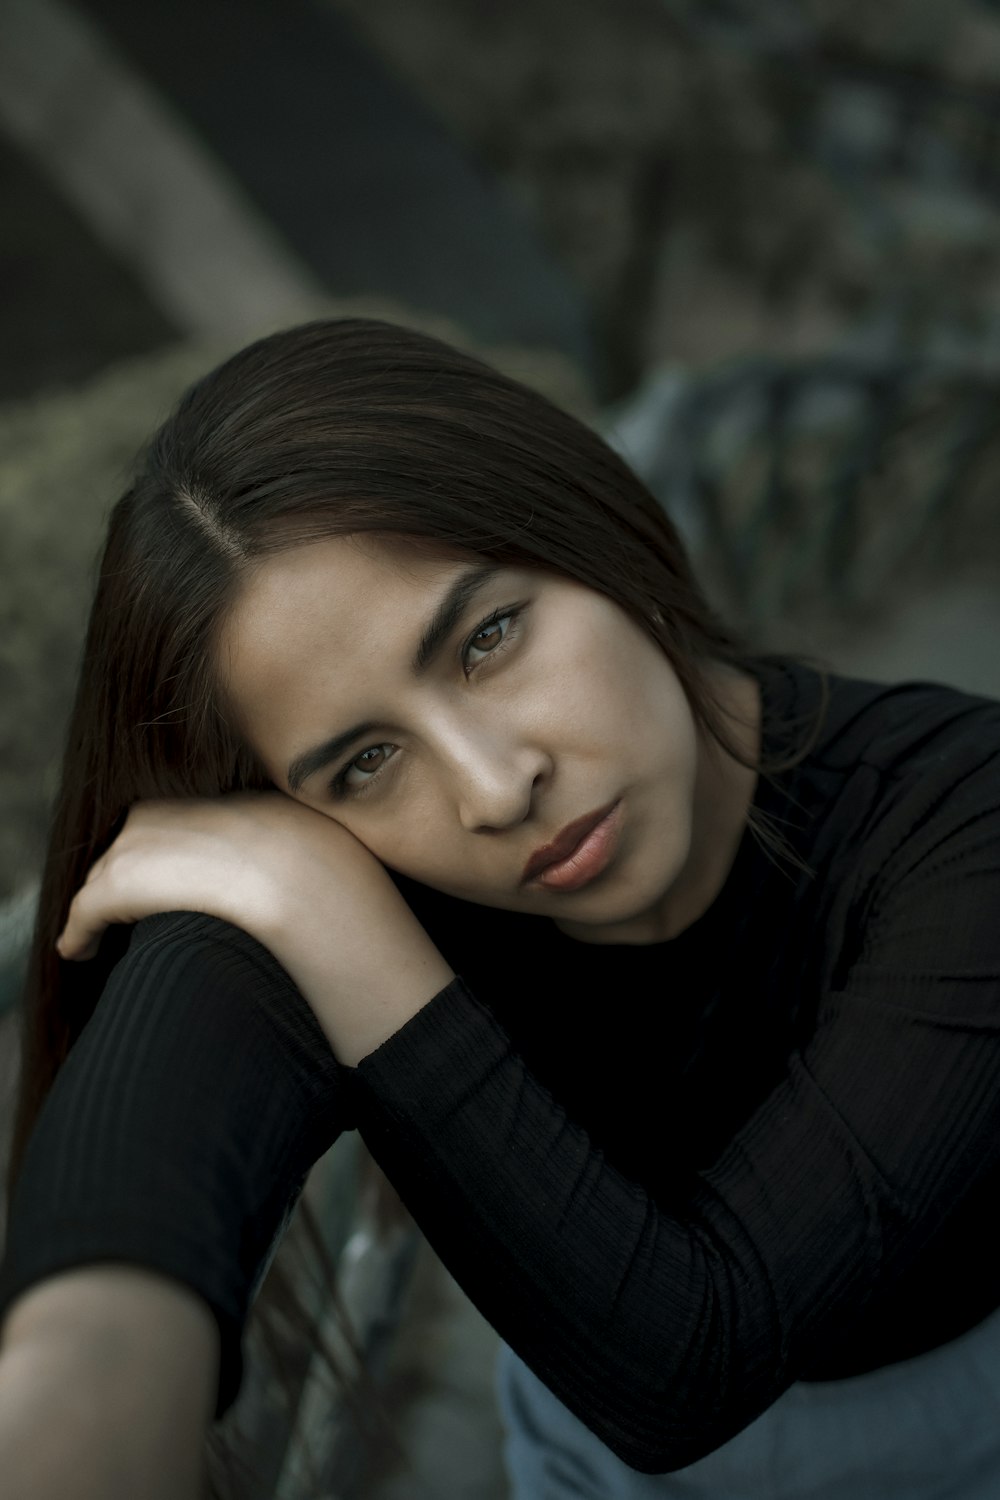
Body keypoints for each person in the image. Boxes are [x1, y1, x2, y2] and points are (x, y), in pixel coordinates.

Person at [2, 317, 1000, 1500]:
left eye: (487, 637)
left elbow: (692, 1361)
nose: (492, 787)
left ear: (589, 522)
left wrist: (346, 936)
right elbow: (137, 1195)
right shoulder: (353, 867)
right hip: (584, 1455)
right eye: (362, 761)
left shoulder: (959, 814)